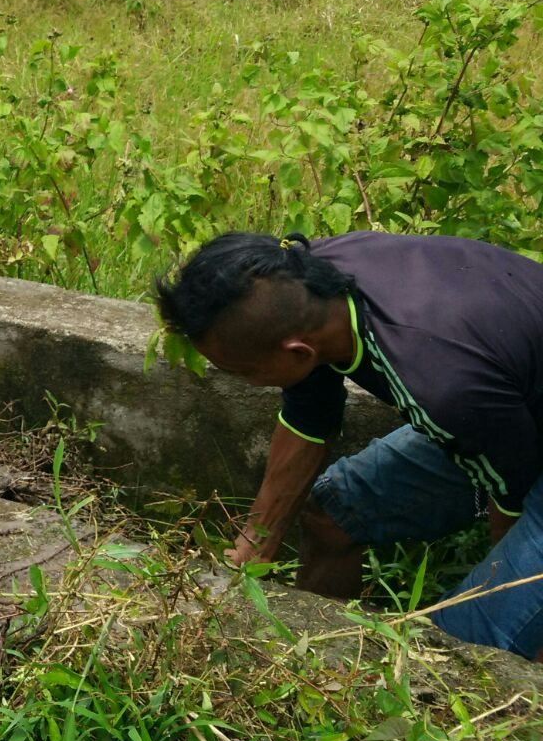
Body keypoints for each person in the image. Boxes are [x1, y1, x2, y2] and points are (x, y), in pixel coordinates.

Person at [155, 230, 543, 660]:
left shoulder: (441, 384)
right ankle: (316, 664)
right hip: (506, 409)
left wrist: (508, 599)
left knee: (463, 652)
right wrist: (254, 543)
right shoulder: (306, 282)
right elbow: (310, 416)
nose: (243, 381)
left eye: (244, 371)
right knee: (336, 511)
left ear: (298, 352)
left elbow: (509, 496)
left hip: (504, 430)